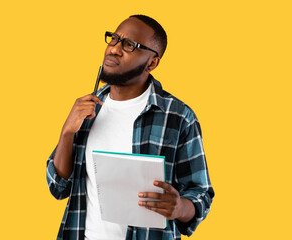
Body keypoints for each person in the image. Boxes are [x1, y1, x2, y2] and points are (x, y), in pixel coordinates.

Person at [46, 14, 214, 240]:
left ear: (152, 62)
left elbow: (201, 193)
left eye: (129, 45)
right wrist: (66, 133)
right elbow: (58, 187)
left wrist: (180, 208)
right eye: (114, 39)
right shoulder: (87, 108)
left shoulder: (178, 117)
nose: (114, 49)